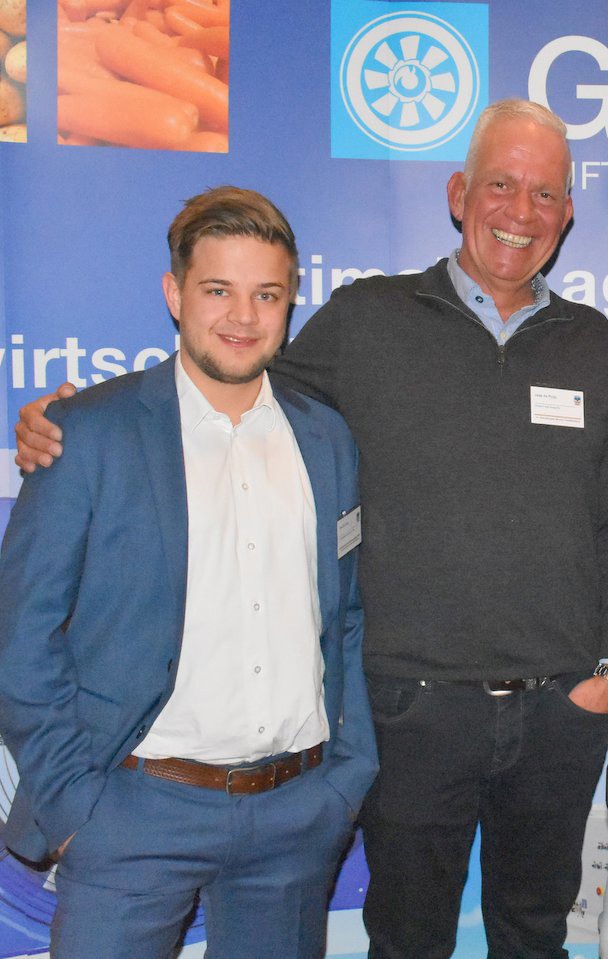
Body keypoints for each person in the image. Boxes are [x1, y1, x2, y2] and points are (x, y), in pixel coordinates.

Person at [14, 98, 608, 959]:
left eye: (545, 194)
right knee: (406, 943)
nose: (521, 212)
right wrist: (67, 418)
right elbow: (229, 376)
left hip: (555, 717)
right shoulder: (366, 319)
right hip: (412, 717)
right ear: (459, 194)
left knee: (536, 939)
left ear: (568, 213)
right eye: (501, 185)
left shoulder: (593, 342)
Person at [0, 186, 377, 958]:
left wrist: (347, 775)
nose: (243, 316)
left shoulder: (326, 438)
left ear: (291, 302)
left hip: (297, 815)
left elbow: (343, 616)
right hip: (131, 814)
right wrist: (75, 806)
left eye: (266, 294)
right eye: (218, 290)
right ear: (175, 295)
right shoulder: (87, 433)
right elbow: (21, 634)